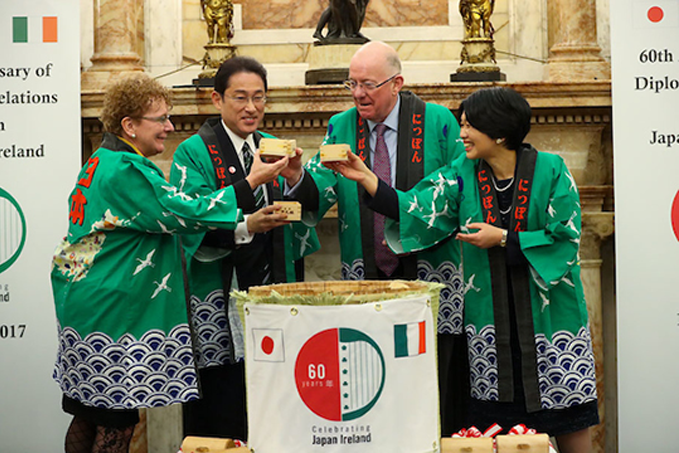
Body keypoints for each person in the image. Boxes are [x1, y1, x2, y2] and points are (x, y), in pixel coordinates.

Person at [326, 86, 599, 453]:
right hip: (491, 325)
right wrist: (365, 177)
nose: (461, 135)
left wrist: (502, 238)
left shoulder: (552, 170)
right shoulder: (461, 173)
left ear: (499, 133)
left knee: (568, 420)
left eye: (469, 126)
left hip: (550, 323)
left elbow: (565, 238)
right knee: (496, 434)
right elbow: (417, 207)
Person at [51, 73, 289, 453]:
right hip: (112, 314)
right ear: (129, 125)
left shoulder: (101, 159)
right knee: (116, 426)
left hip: (85, 303)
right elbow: (184, 212)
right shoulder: (126, 170)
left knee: (88, 416)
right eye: (159, 119)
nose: (169, 127)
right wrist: (251, 182)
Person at [284, 41, 468, 434]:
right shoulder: (341, 124)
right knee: (373, 378)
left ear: (397, 82)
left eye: (367, 84)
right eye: (351, 84)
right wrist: (296, 176)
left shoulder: (438, 122)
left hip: (428, 270)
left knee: (433, 384)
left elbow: (454, 191)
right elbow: (322, 187)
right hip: (366, 268)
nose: (358, 94)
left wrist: (378, 188)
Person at [170, 56, 318, 440]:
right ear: (217, 100)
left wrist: (296, 175)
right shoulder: (193, 151)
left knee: (276, 400)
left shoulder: (271, 146)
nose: (251, 107)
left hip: (271, 289)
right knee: (223, 401)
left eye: (259, 97)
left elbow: (311, 204)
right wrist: (246, 221)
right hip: (219, 291)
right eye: (240, 97)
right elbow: (191, 217)